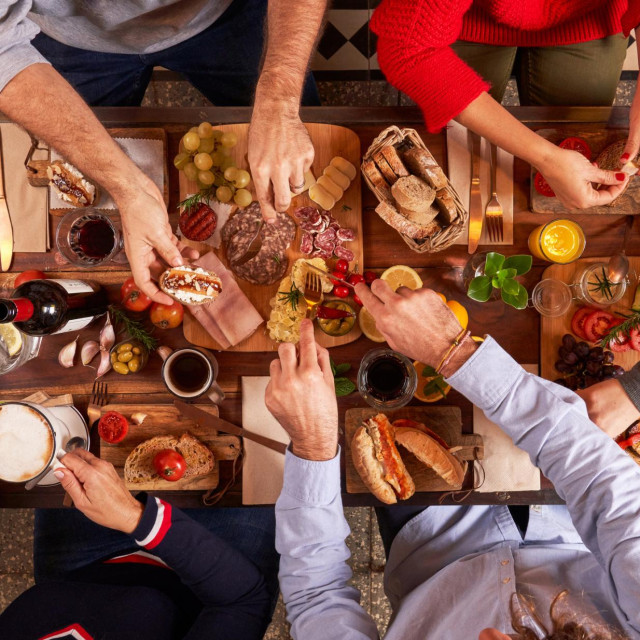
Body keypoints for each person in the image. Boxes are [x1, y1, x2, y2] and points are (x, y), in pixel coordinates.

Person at [265, 281, 640, 639]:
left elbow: (317, 595)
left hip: (431, 543)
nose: (491, 633)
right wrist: (452, 352)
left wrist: (312, 442)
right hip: (567, 521)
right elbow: (601, 482)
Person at [0, 0, 326, 302]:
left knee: (299, 143)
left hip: (223, 15)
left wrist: (279, 96)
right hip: (74, 40)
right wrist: (129, 188)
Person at [370, 0, 640, 210]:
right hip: (466, 16)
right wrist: (545, 157)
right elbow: (408, 49)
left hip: (590, 16)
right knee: (460, 148)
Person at [0, 448, 280, 639]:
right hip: (216, 579)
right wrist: (136, 519)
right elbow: (243, 601)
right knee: (268, 447)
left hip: (81, 570)